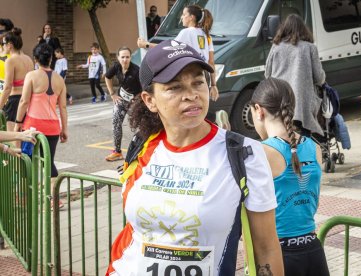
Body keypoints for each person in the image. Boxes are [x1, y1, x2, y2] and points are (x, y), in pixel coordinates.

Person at [106, 40, 284, 276]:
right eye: (175, 87)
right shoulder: (142, 146)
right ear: (150, 100)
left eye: (198, 83)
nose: (191, 95)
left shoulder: (243, 154)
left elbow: (266, 247)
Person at [250, 77, 330, 276]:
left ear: (259, 110)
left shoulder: (260, 152)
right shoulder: (314, 148)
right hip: (313, 250)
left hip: (277, 253)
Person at [14, 43, 68, 209]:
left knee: (26, 160)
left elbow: (24, 102)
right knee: (49, 162)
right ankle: (54, 199)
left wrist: (17, 123)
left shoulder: (31, 76)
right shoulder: (59, 79)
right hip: (52, 127)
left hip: (32, 127)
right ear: (51, 59)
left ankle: (23, 198)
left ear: (36, 59)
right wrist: (64, 129)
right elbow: (63, 107)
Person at [137, 4, 219, 103]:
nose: (182, 17)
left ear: (191, 17)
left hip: (190, 73)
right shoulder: (206, 35)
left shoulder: (186, 32)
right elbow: (211, 62)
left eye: (184, 14)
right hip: (203, 76)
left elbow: (168, 48)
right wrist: (214, 85)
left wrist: (146, 44)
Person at [265, 14, 325, 138]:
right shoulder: (310, 48)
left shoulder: (275, 47)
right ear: (303, 29)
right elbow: (319, 78)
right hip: (302, 107)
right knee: (303, 140)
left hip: (279, 103)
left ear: (284, 29)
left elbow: (267, 74)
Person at [104, 46, 142, 162]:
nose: (125, 60)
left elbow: (145, 87)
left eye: (127, 57)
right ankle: (117, 152)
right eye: (122, 57)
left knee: (138, 126)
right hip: (121, 99)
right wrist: (112, 94)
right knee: (116, 121)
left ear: (130, 57)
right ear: (118, 58)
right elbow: (107, 77)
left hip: (135, 101)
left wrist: (138, 99)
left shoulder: (136, 71)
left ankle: (142, 151)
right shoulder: (116, 67)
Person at [0, 28, 34, 132]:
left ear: (10, 45)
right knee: (25, 136)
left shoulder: (10, 61)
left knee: (14, 140)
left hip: (15, 102)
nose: (3, 45)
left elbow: (7, 87)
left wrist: (0, 105)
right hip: (29, 99)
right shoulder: (29, 59)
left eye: (3, 43)